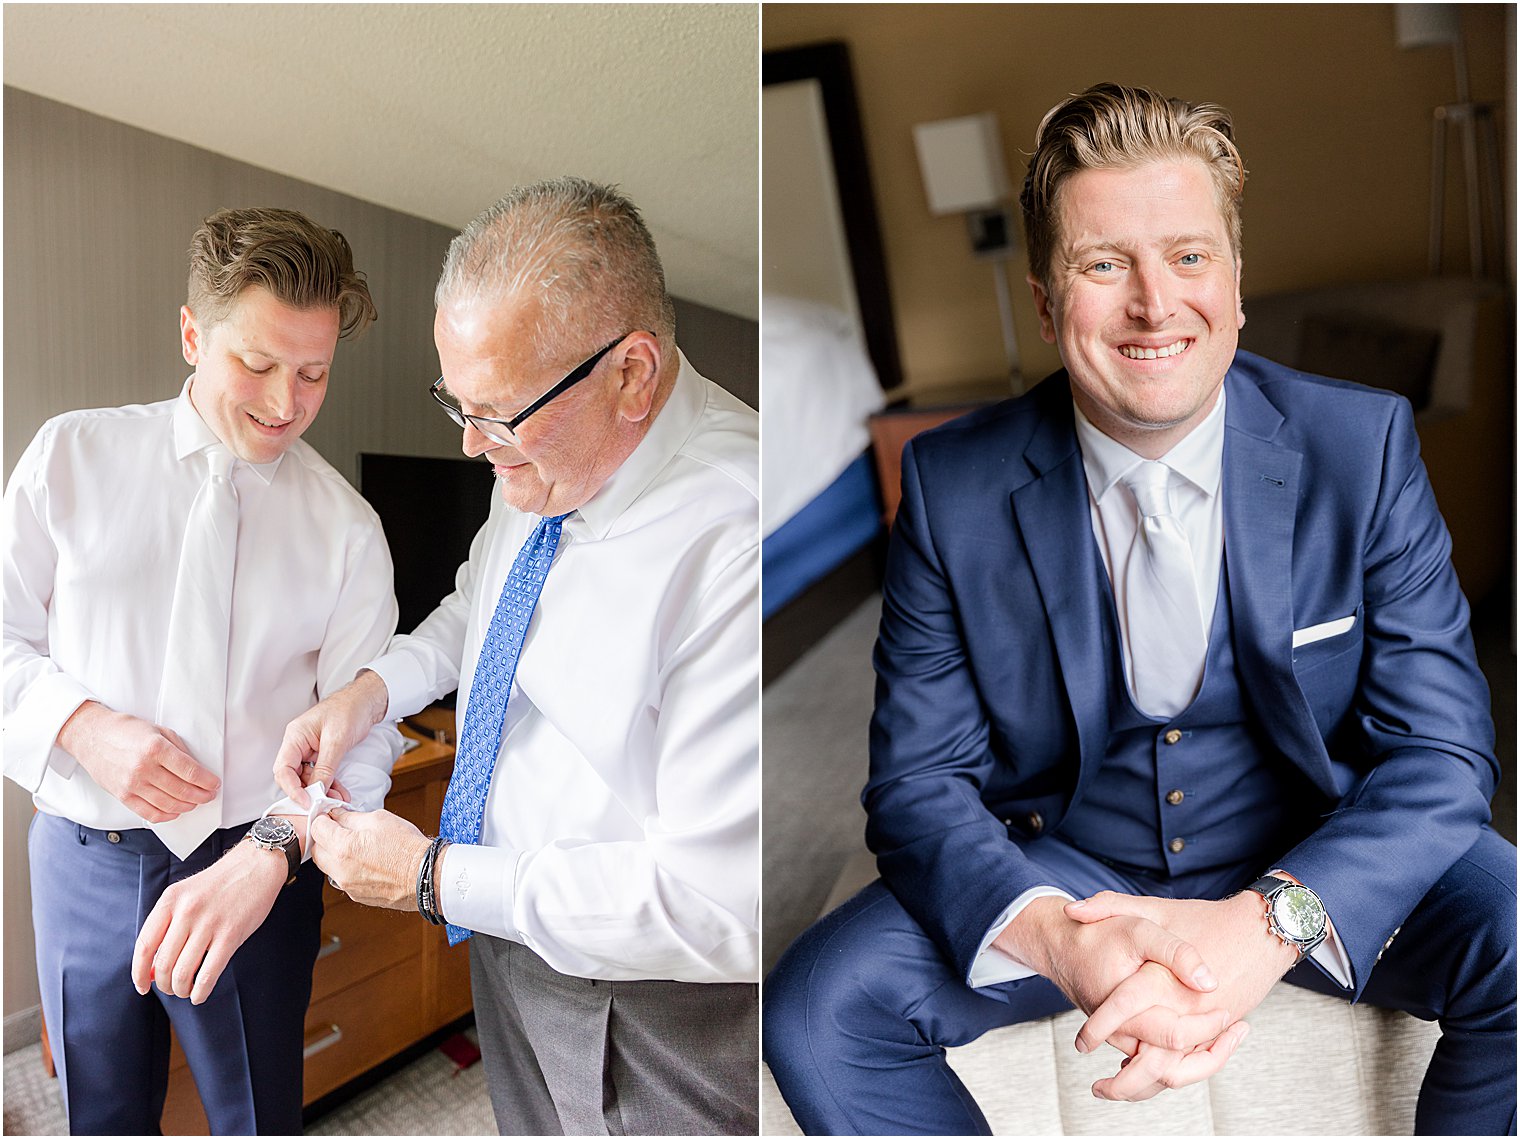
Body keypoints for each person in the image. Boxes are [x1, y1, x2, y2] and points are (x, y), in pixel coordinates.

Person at [764, 83, 1515, 1136]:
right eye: (1102, 263)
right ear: (1043, 299)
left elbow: (1442, 755)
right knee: (813, 1008)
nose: (1154, 304)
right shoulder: (950, 484)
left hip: (1311, 833)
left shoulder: (1361, 448)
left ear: (1236, 281)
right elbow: (915, 782)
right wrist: (1064, 940)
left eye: (1188, 256)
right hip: (1069, 865)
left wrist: (1265, 924)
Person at [275, 176, 760, 1136]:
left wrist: (430, 878)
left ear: (631, 372)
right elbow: (481, 607)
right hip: (507, 931)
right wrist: (372, 694)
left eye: (495, 413)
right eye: (458, 405)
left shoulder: (740, 539)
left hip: (649, 997)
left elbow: (720, 902)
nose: (469, 445)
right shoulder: (535, 460)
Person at [3, 207, 404, 1134]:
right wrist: (79, 725)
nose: (285, 403)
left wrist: (276, 846)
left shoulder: (348, 530)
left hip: (253, 866)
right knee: (98, 1118)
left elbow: (365, 724)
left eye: (314, 373)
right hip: (81, 863)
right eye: (256, 365)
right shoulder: (69, 458)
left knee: (259, 1118)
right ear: (192, 333)